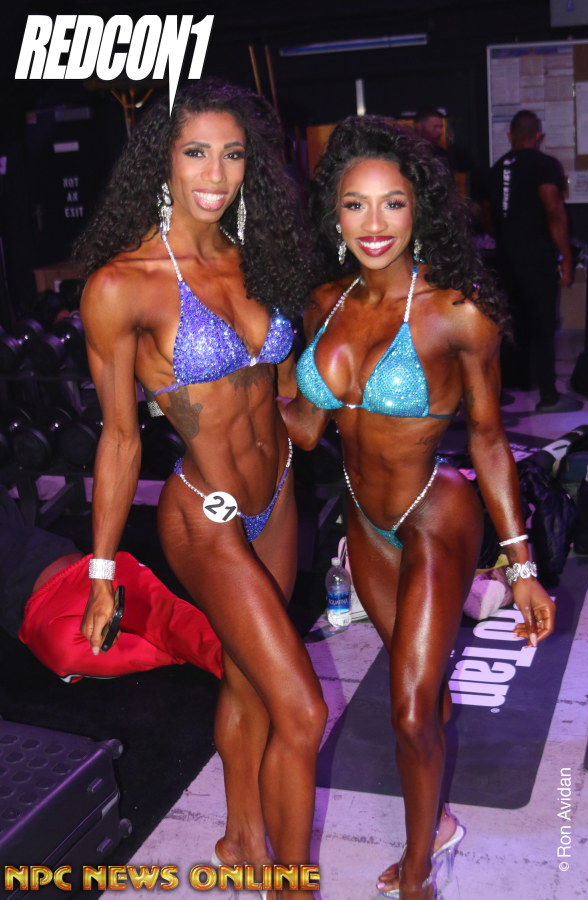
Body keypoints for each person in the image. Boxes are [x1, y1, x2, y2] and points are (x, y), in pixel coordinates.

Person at [279, 115, 556, 900]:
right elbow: (307, 427)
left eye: (392, 203)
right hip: (364, 524)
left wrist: (522, 564)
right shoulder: (324, 303)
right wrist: (241, 386)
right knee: (423, 693)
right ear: (334, 214)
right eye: (355, 204)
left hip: (436, 516)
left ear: (419, 209)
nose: (374, 224)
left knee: (406, 711)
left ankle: (419, 869)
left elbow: (490, 440)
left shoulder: (457, 310)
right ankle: (438, 809)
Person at [73, 78, 326, 899]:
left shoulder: (262, 257)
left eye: (233, 154)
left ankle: (239, 833)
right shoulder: (124, 284)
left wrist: (345, 376)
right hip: (205, 513)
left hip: (278, 497)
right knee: (302, 710)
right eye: (196, 152)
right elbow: (119, 439)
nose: (216, 173)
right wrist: (102, 573)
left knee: (249, 678)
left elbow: (287, 401)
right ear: (163, 160)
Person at [0, 485, 222, 681]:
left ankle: (233, 663)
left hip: (80, 573)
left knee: (176, 627)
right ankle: (232, 663)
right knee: (179, 634)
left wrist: (101, 573)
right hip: (43, 617)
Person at [487, 109, 581, 412]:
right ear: (538, 135)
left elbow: (480, 210)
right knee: (542, 326)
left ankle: (498, 392)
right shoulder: (544, 165)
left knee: (506, 326)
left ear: (510, 135)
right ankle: (549, 397)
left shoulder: (496, 168)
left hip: (504, 259)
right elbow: (554, 211)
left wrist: (504, 236)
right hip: (537, 259)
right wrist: (566, 258)